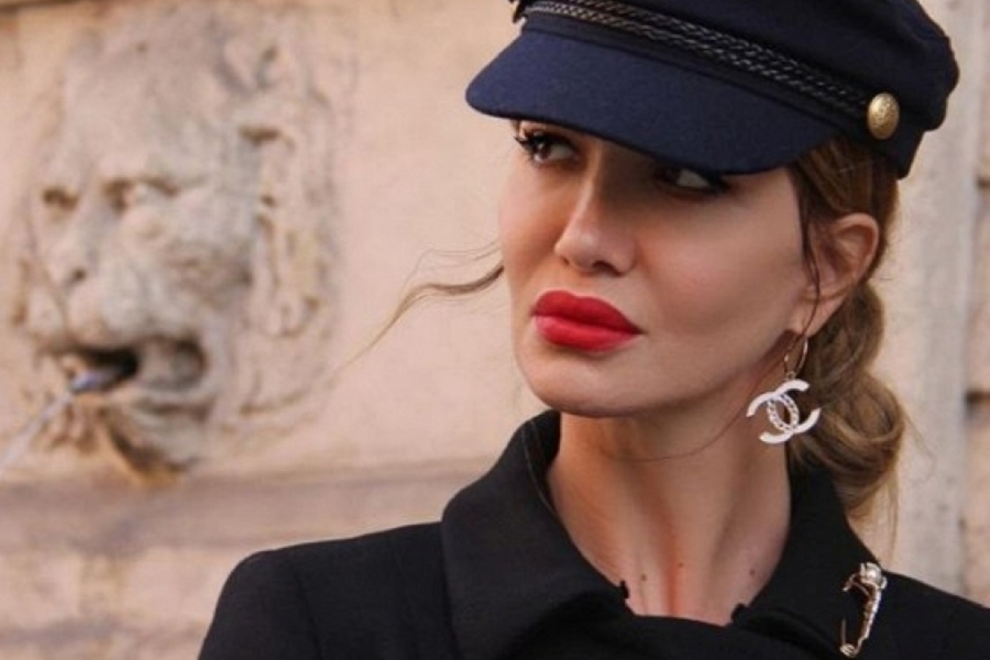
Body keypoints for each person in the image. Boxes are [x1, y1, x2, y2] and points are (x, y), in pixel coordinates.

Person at [199, 0, 990, 658]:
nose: (582, 238)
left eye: (683, 177)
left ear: (828, 268)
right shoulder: (325, 627)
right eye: (548, 147)